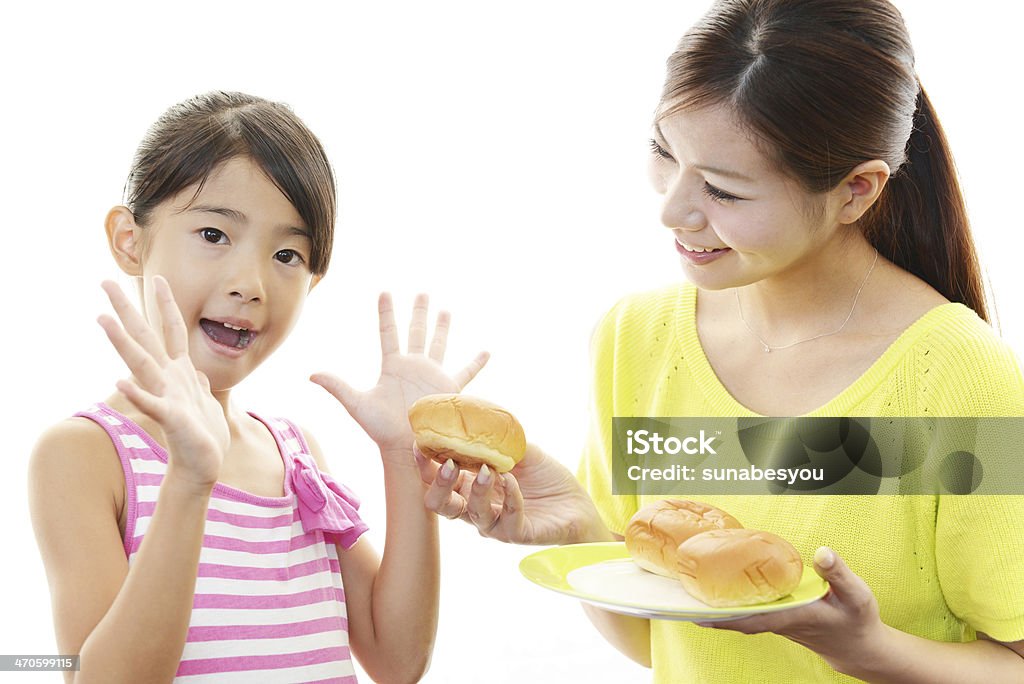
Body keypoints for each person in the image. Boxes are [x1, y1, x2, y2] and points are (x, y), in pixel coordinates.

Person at [415, 1, 1024, 681]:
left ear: (856, 190)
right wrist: (582, 532)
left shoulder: (962, 379)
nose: (672, 210)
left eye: (726, 191)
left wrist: (862, 647)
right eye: (663, 152)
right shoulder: (636, 340)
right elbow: (668, 644)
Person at [28, 91, 487, 683]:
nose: (250, 283)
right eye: (214, 235)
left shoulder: (296, 454)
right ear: (129, 240)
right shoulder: (82, 456)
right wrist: (190, 482)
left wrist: (405, 457)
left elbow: (397, 662)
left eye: (288, 253)